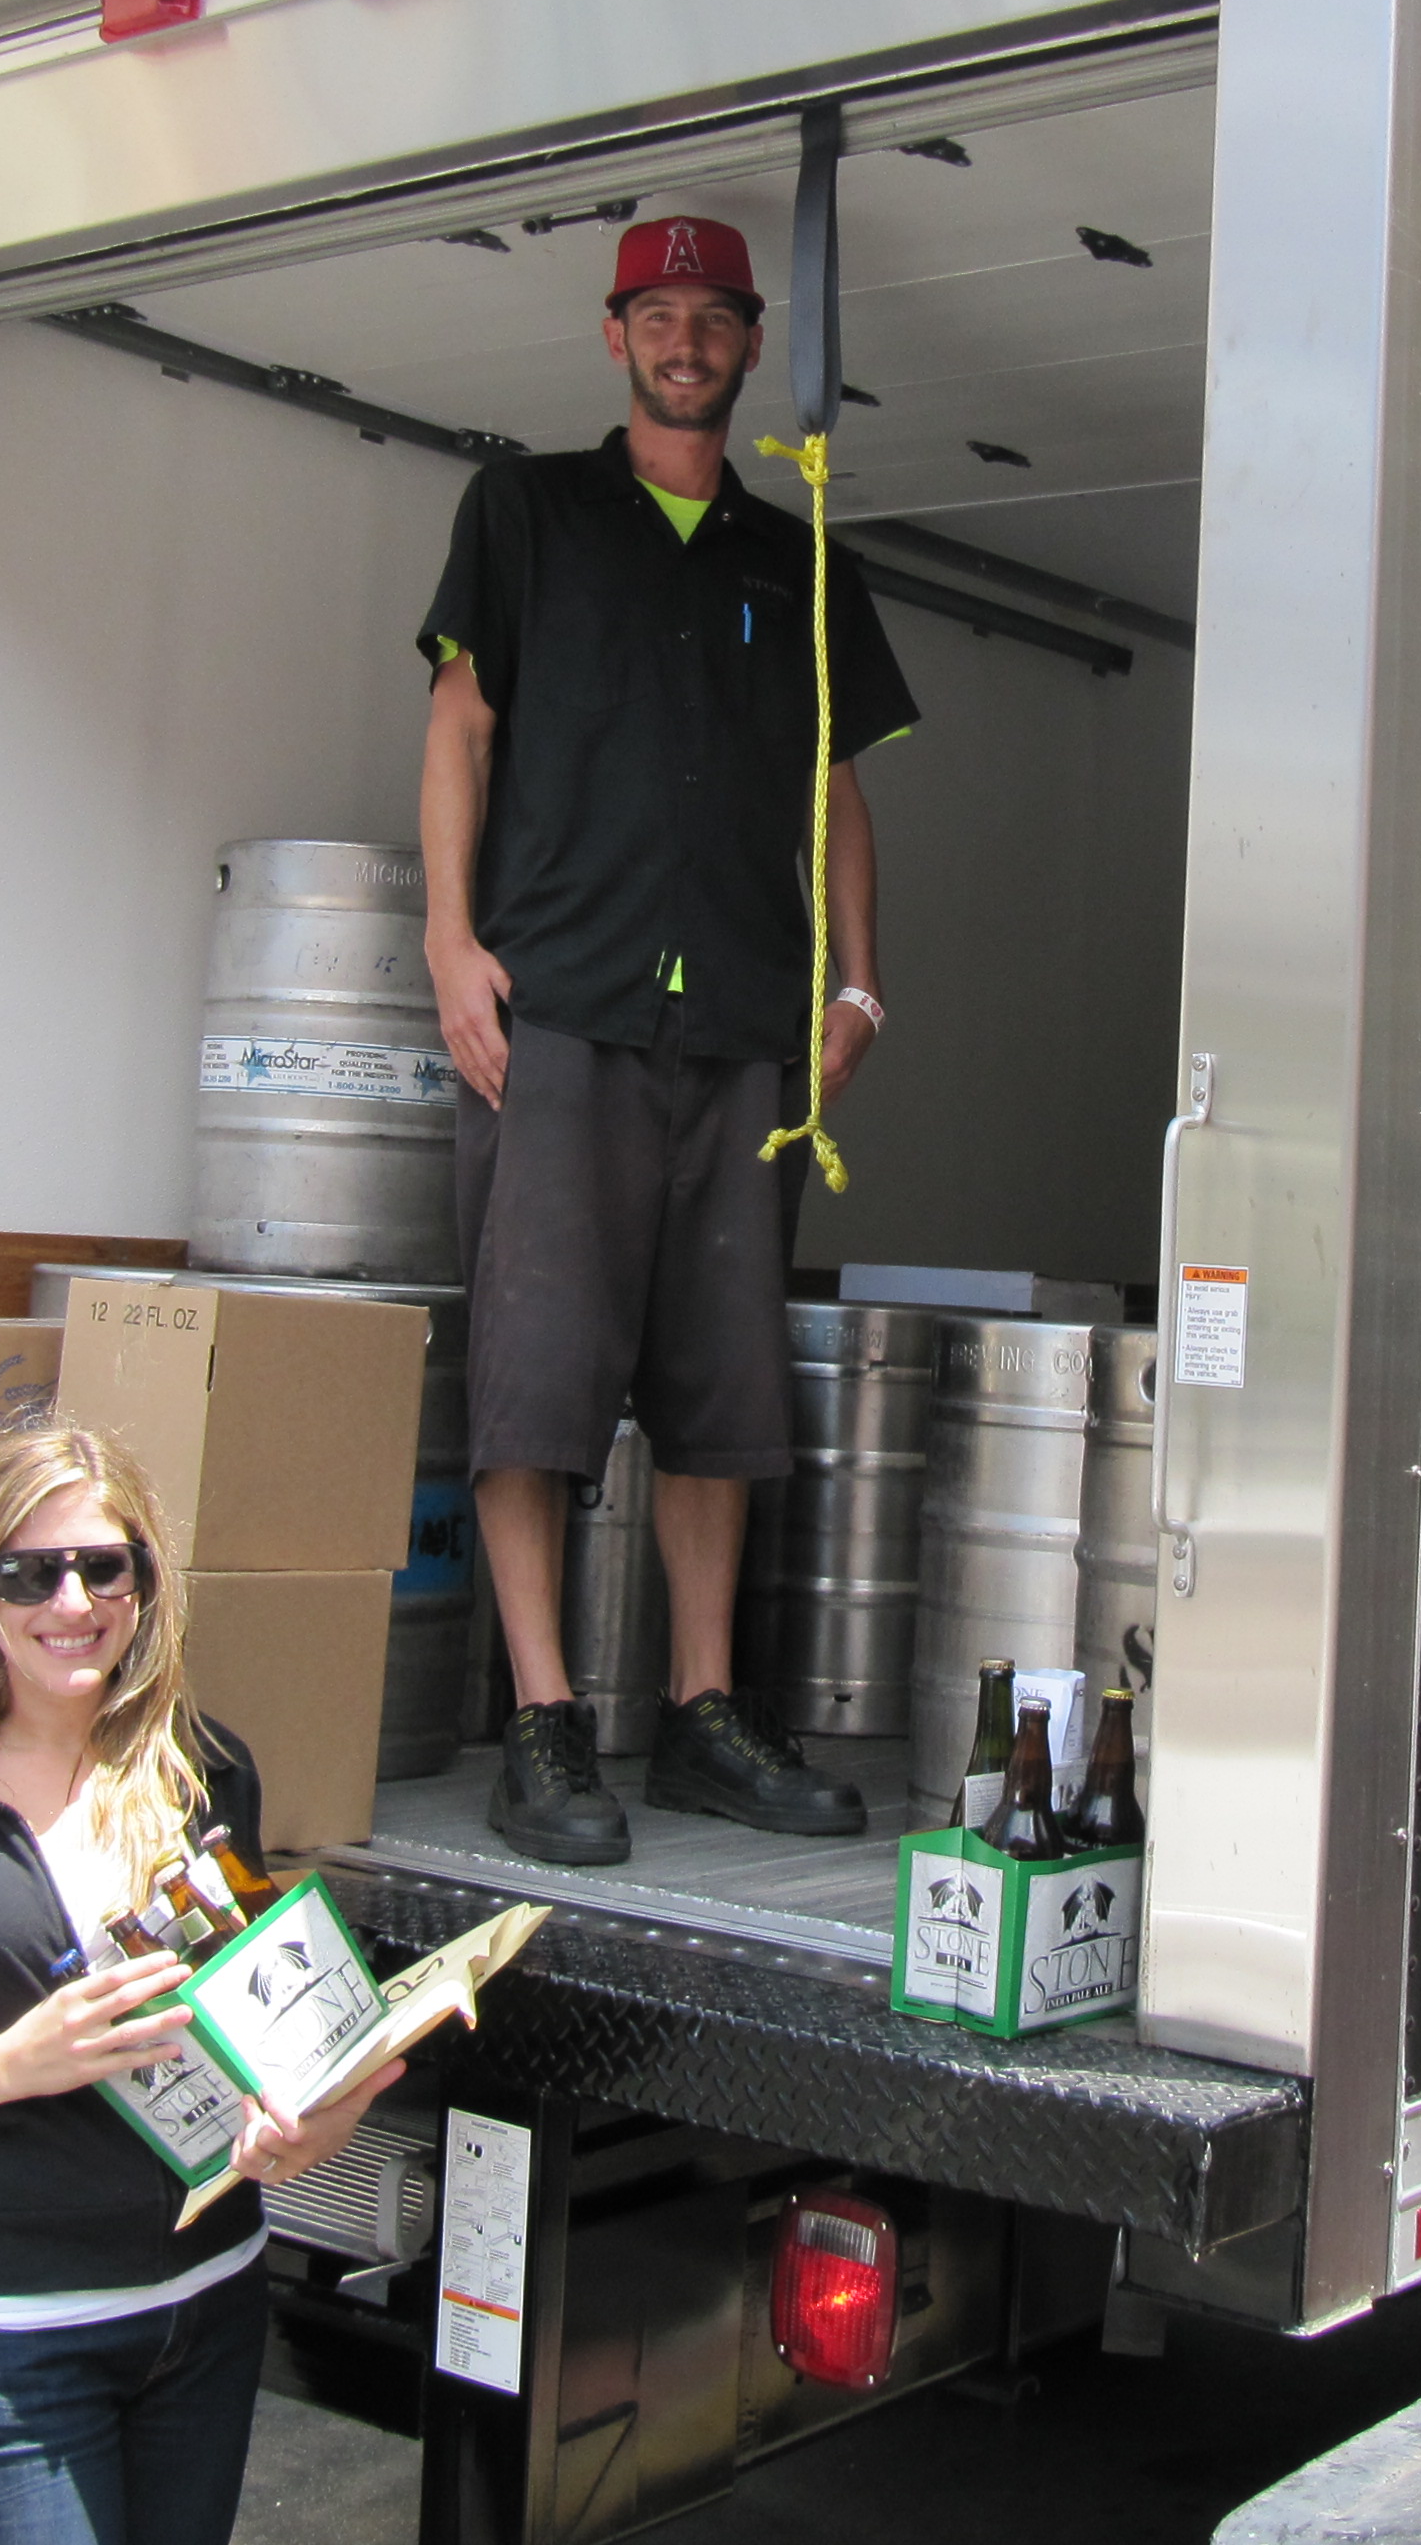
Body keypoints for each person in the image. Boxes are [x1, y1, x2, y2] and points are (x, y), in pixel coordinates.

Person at [417, 211, 920, 1868]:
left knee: (721, 1386)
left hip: (745, 1034)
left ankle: (702, 1715)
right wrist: (449, 943)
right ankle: (549, 1721)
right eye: (659, 313)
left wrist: (853, 983)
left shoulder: (804, 559)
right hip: (559, 1007)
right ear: (614, 332)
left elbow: (834, 785)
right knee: (536, 1382)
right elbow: (462, 726)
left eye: (715, 317)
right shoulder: (526, 512)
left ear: (751, 345)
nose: (686, 339)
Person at [0, 1423, 404, 2545]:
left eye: (105, 1565)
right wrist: (8, 2066)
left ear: (145, 1585)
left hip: (208, 2306)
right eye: (29, 1571)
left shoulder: (203, 1770)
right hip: (3, 2344)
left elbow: (269, 2033)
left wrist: (322, 2117)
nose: (72, 1600)